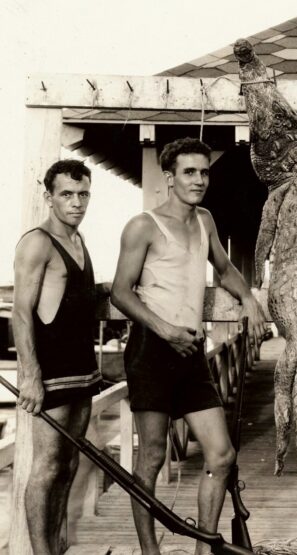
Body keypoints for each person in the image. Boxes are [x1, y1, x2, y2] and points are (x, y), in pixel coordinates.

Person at [111, 137, 266, 555]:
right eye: (189, 172)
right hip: (151, 348)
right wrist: (164, 329)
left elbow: (224, 266)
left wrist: (248, 297)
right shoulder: (143, 225)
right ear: (169, 178)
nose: (199, 180)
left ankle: (205, 547)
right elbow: (120, 293)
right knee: (153, 456)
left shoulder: (205, 220)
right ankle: (150, 551)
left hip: (192, 351)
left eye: (204, 171)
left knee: (221, 454)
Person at [13, 159, 102, 554]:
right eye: (67, 195)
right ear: (49, 198)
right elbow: (20, 311)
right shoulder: (37, 242)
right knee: (47, 466)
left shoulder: (79, 241)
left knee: (69, 464)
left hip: (83, 370)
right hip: (51, 374)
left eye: (83, 195)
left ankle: (56, 544)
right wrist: (30, 375)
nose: (76, 203)